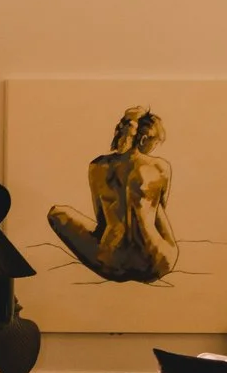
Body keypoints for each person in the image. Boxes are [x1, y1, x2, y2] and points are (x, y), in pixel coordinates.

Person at [49, 105, 177, 283]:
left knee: (56, 213)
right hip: (158, 262)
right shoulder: (161, 167)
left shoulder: (97, 167)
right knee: (155, 207)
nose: (154, 148)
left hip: (112, 264)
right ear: (144, 139)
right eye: (154, 143)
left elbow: (101, 222)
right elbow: (158, 215)